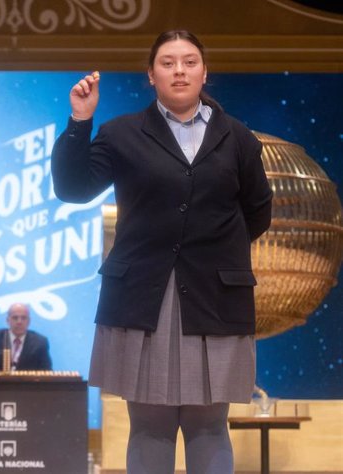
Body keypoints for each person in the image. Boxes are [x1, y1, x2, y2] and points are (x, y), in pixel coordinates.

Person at [51, 30, 272, 474]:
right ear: (150, 75)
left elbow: (257, 213)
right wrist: (80, 122)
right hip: (141, 297)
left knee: (210, 423)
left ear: (204, 71)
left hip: (216, 298)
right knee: (149, 425)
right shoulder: (121, 133)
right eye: (168, 63)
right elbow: (72, 189)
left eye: (189, 62)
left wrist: (210, 253)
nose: (179, 71)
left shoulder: (238, 138)